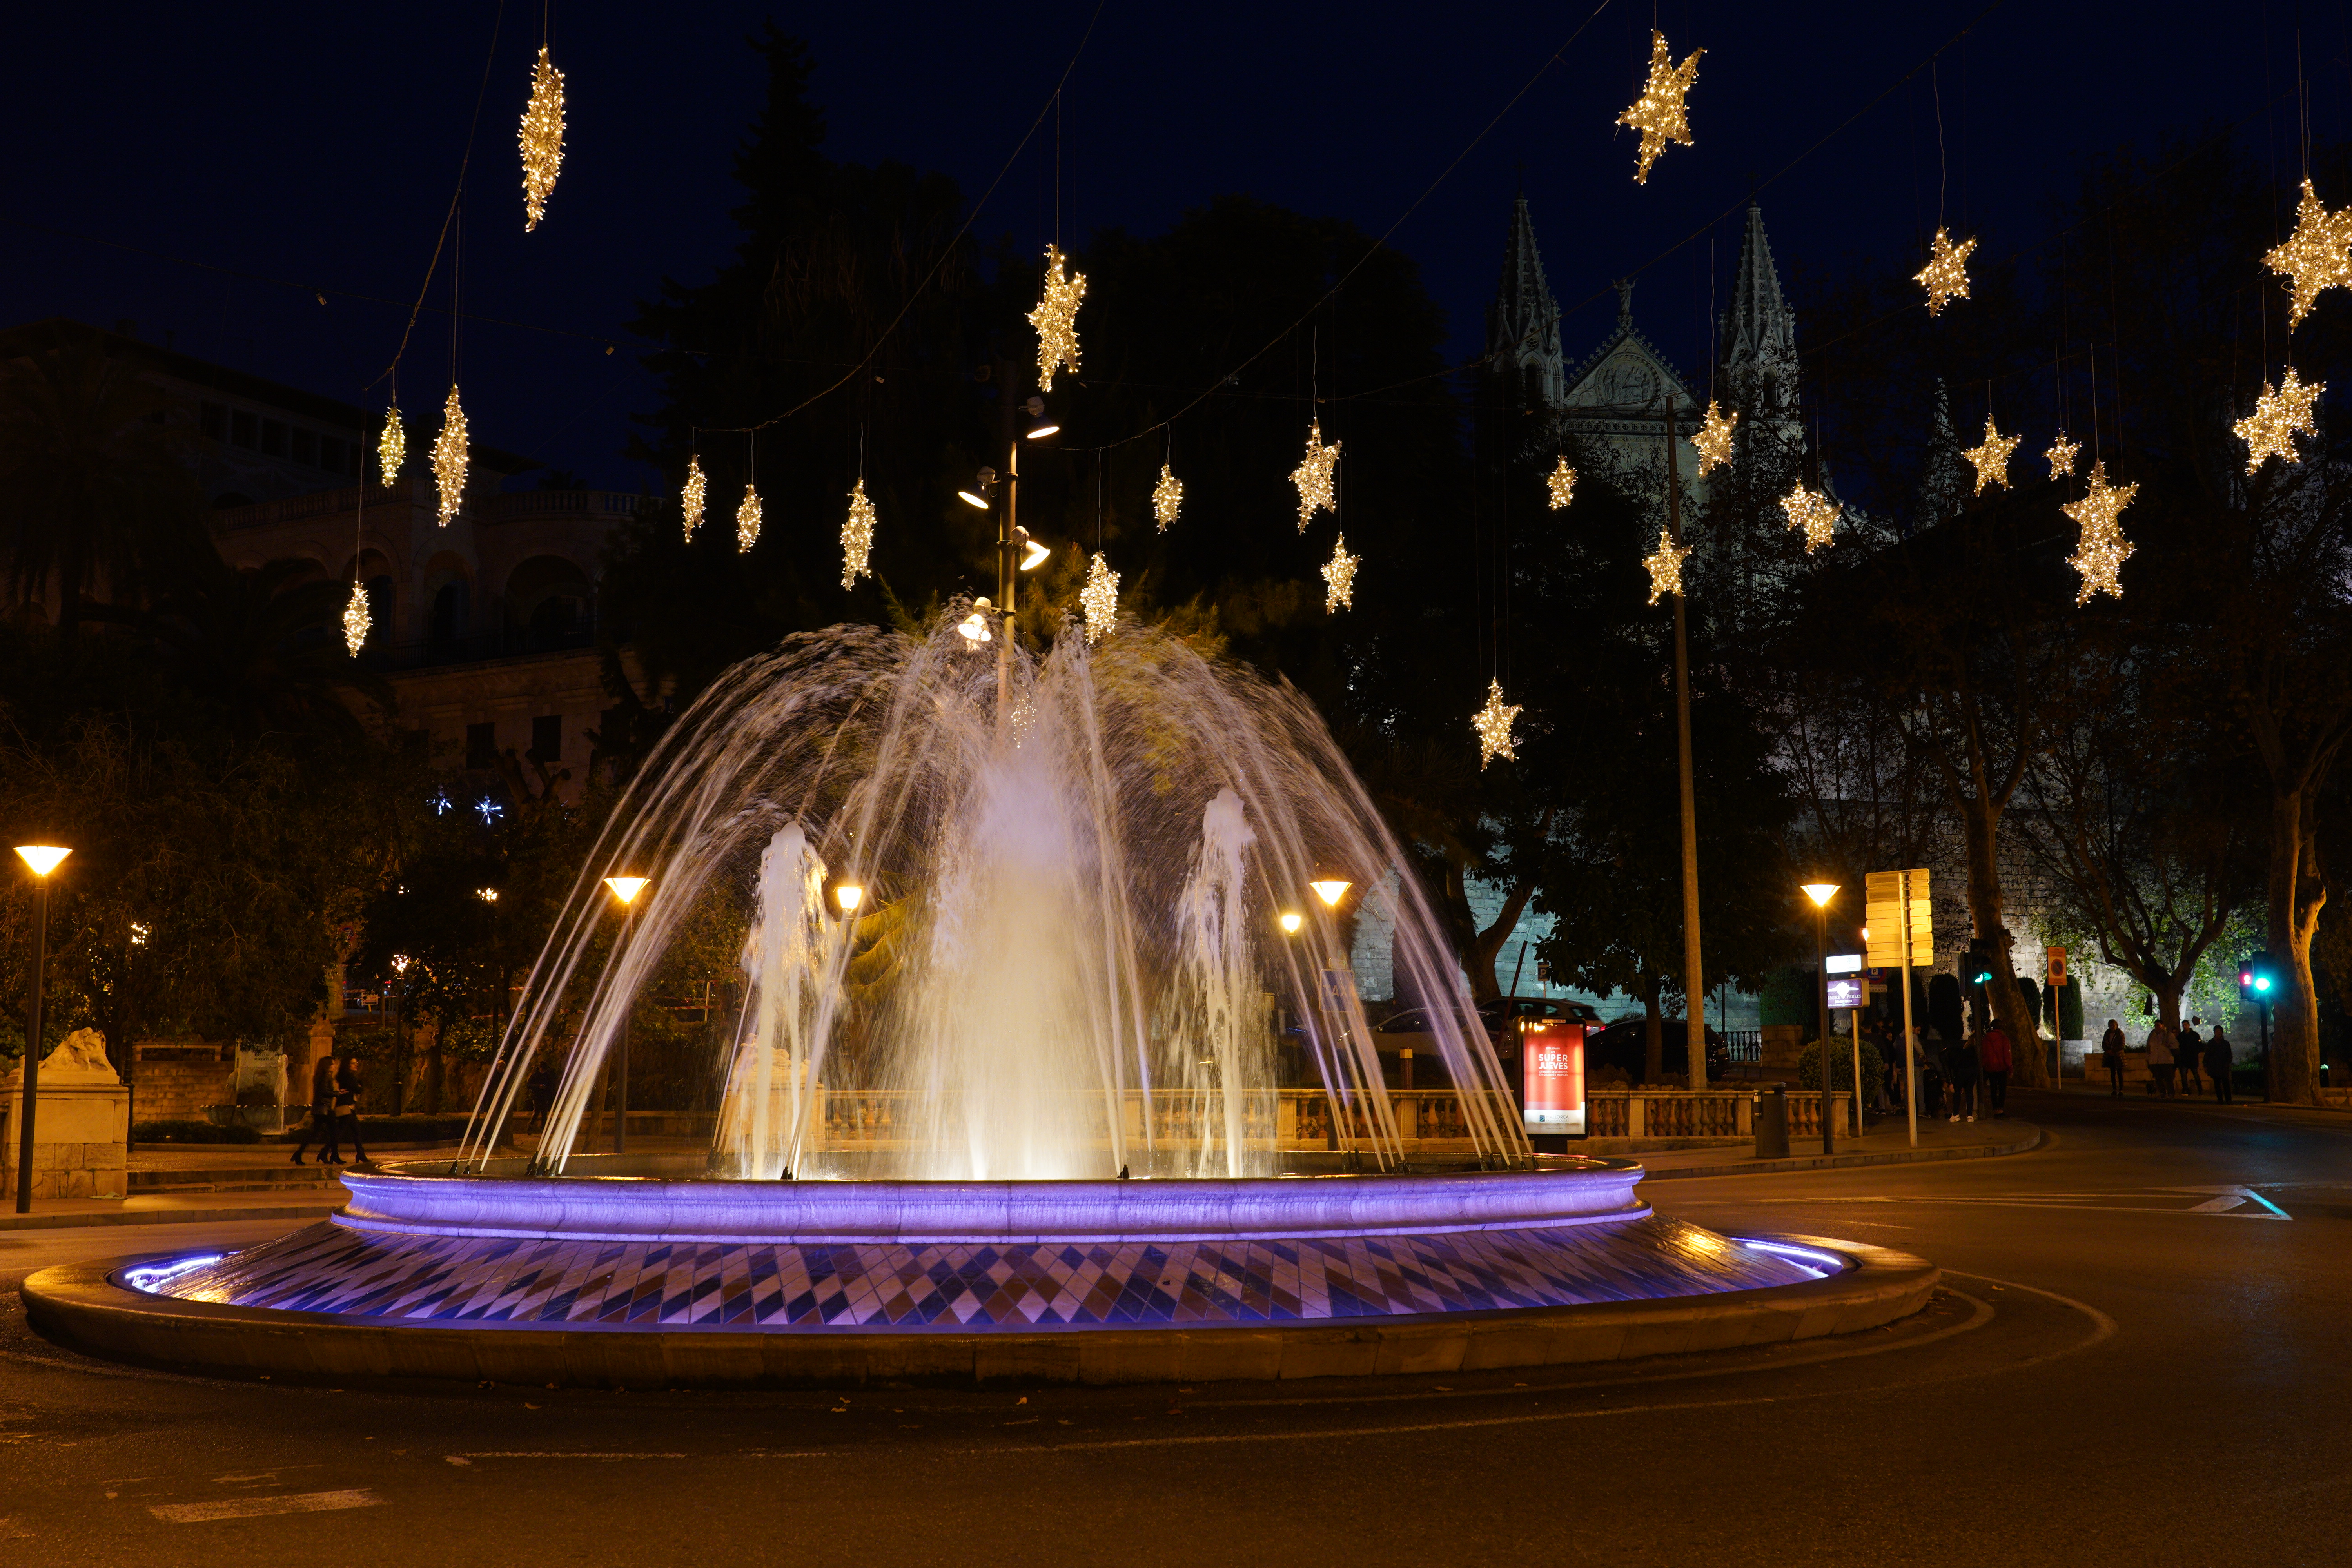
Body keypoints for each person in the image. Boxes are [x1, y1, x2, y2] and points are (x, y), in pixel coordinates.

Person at [290, 1052, 338, 1165]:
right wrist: (337, 1093)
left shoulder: (321, 1077)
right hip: (325, 1109)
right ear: (327, 1066)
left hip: (320, 1109)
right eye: (333, 1064)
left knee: (315, 1134)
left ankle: (299, 1154)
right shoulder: (326, 1078)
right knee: (335, 1133)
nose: (335, 1066)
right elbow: (324, 1092)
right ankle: (327, 1154)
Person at [334, 1053, 370, 1165]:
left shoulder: (347, 1076)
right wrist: (360, 1085)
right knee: (341, 1133)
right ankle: (328, 1153)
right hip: (346, 1108)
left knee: (356, 1132)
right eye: (353, 1063)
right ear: (347, 1065)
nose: (356, 1065)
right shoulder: (348, 1077)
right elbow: (358, 1090)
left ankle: (361, 1154)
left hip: (349, 1108)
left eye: (356, 1063)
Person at [1980, 1022, 2013, 1118]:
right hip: (2002, 1067)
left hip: (1990, 1068)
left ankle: (1995, 1109)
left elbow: (1984, 1054)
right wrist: (2010, 1068)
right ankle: (2000, 1109)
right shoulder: (2004, 1039)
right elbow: (2007, 1055)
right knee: (2002, 1089)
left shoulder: (1986, 1039)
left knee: (1993, 1089)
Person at [2147, 1020, 2176, 1099]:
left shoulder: (2168, 1035)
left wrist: (2169, 1046)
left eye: (2159, 1025)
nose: (2157, 1026)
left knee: (2168, 1078)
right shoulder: (2152, 1035)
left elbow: (2175, 1045)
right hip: (2155, 1060)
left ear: (2163, 1026)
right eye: (2156, 1025)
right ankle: (2162, 1092)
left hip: (2166, 1060)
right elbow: (2149, 1047)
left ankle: (2171, 1093)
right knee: (2158, 1078)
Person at [2206, 1026, 2235, 1103]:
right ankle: (2220, 1099)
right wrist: (2206, 1065)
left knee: (2226, 1083)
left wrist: (2227, 1063)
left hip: (2224, 1066)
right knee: (2217, 1084)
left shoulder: (2226, 1044)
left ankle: (2228, 1099)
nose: (2218, 1033)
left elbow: (2229, 1055)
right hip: (2215, 1066)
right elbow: (2208, 1055)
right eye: (2217, 1031)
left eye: (2220, 1031)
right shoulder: (2211, 1043)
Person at [2177, 1019, 2205, 1096]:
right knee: (2184, 1076)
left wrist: (2196, 1052)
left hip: (2192, 1058)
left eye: (2186, 1025)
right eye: (2183, 1025)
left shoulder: (2194, 1035)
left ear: (2189, 1025)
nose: (2185, 1027)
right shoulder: (2181, 1036)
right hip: (2184, 1058)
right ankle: (2186, 1090)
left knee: (2195, 1075)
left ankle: (2200, 1090)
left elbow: (2200, 1045)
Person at [2102, 1019, 2127, 1098]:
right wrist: (2108, 1051)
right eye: (2111, 1025)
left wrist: (2113, 1050)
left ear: (2117, 1026)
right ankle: (2114, 1090)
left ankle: (2121, 1090)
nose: (2112, 1027)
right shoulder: (2107, 1033)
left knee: (2120, 1073)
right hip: (2110, 1055)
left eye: (2114, 1025)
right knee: (2112, 1073)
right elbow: (2104, 1043)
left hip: (2118, 1055)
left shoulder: (2120, 1034)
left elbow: (2122, 1045)